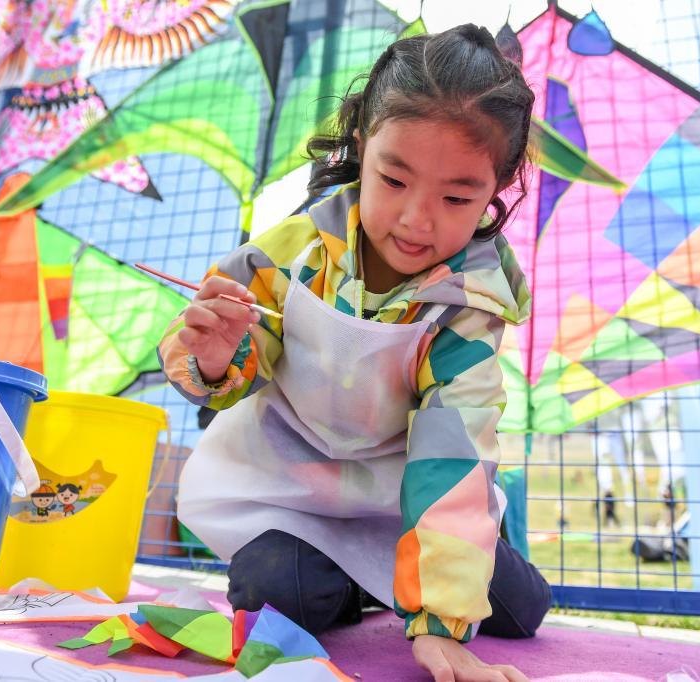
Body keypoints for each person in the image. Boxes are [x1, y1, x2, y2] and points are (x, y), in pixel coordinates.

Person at [159, 24, 549, 682]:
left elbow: (451, 451)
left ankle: (419, 578)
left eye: (457, 198)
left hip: (404, 502)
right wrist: (216, 358)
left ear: (497, 189)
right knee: (271, 590)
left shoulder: (472, 303)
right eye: (393, 179)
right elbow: (224, 367)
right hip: (289, 496)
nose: (416, 219)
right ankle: (358, 588)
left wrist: (441, 621)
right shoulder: (290, 254)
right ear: (363, 147)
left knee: (520, 608)